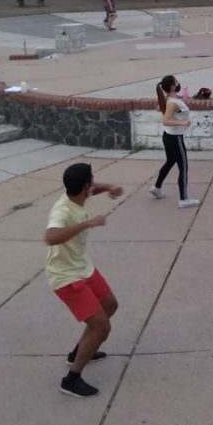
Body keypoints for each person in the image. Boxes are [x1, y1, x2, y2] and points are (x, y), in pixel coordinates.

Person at [44, 162, 123, 397]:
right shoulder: (62, 210)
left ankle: (78, 352)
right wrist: (87, 223)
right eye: (92, 180)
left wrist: (108, 187)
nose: (93, 184)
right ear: (84, 186)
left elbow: (91, 188)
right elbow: (50, 237)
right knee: (101, 327)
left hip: (82, 267)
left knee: (110, 305)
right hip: (65, 277)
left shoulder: (76, 193)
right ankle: (71, 380)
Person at [149, 74, 200, 208]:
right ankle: (184, 199)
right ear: (172, 86)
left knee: (170, 161)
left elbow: (159, 108)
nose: (178, 83)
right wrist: (183, 122)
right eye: (176, 81)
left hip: (168, 137)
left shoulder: (169, 99)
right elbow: (165, 120)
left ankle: (157, 188)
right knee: (183, 167)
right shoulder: (173, 103)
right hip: (175, 139)